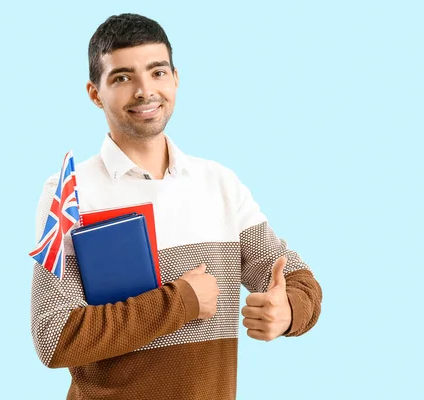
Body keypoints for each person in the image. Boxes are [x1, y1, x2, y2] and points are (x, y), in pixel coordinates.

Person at [30, 13, 322, 400]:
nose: (144, 90)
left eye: (157, 72)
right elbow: (54, 336)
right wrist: (179, 301)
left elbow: (299, 281)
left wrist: (287, 312)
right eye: (122, 77)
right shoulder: (68, 193)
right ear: (94, 93)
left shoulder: (219, 183)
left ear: (176, 78)